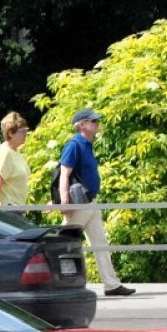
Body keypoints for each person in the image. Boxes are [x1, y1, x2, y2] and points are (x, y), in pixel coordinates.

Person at [59, 107, 135, 296]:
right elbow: (64, 173)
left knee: (100, 243)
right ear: (82, 125)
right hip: (79, 204)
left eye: (96, 121)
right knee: (64, 244)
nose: (97, 124)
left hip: (90, 203)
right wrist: (64, 202)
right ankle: (62, 284)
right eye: (93, 121)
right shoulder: (74, 145)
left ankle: (111, 284)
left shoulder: (87, 144)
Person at [0, 112, 31, 208]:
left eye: (26, 131)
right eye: (22, 131)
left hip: (18, 208)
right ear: (10, 133)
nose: (25, 134)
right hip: (8, 208)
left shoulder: (15, 152)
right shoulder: (5, 153)